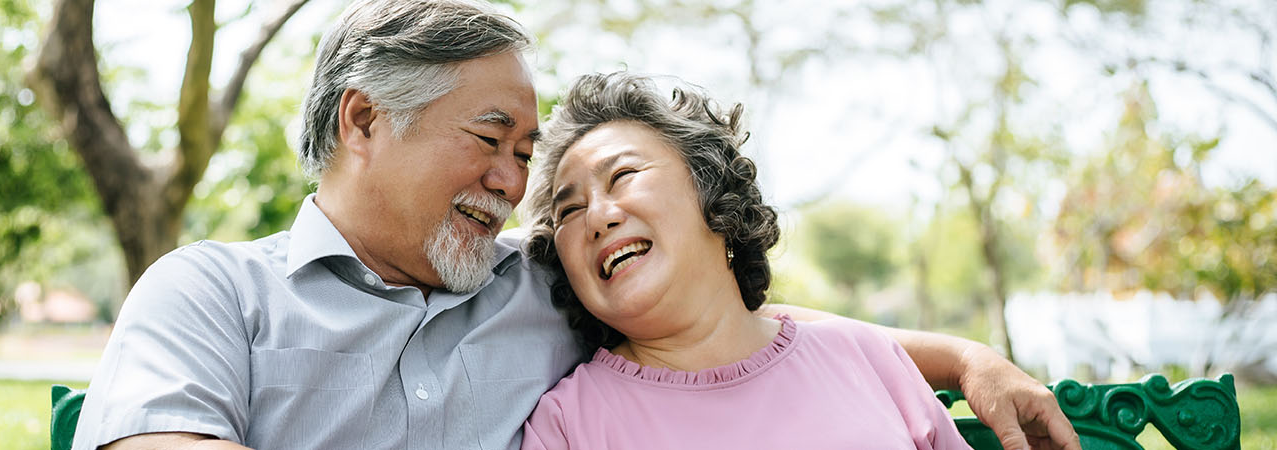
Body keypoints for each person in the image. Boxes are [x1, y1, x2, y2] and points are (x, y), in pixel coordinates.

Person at [71, 1, 1079, 449]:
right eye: (493, 139)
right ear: (364, 120)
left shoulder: (546, 287)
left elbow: (734, 332)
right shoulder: (207, 294)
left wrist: (958, 356)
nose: (516, 185)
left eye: (527, 156)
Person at [520, 72, 970, 449]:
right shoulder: (567, 424)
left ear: (711, 189)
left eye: (622, 176)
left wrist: (972, 359)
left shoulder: (865, 356)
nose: (597, 217)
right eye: (569, 211)